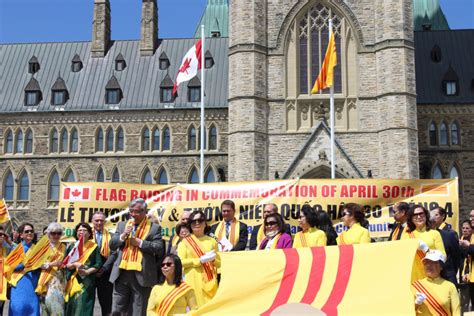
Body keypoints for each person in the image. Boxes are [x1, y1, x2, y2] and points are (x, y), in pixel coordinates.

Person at [109, 198, 164, 316]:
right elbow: (112, 245)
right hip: (121, 272)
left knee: (139, 310)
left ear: (145, 212)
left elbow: (159, 248)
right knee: (117, 309)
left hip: (142, 274)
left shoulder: (154, 228)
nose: (133, 214)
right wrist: (123, 235)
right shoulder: (122, 225)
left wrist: (140, 243)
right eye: (131, 211)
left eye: (137, 212)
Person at [177, 210, 219, 307]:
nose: (197, 223)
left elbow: (219, 264)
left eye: (200, 220)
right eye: (193, 221)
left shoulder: (212, 241)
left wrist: (213, 260)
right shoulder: (184, 242)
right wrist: (199, 261)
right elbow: (180, 262)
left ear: (205, 223)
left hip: (209, 281)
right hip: (192, 280)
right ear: (190, 224)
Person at [65, 222, 102, 316]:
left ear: (89, 233)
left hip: (87, 282)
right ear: (76, 233)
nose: (82, 232)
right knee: (72, 306)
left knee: (84, 307)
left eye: (85, 230)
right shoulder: (72, 247)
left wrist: (87, 272)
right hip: (74, 280)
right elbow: (66, 264)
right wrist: (75, 265)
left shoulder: (93, 247)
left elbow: (98, 264)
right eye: (79, 230)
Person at [401, 205, 445, 283]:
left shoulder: (435, 233)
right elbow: (402, 256)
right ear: (411, 218)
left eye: (421, 214)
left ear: (426, 215)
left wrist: (427, 250)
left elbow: (443, 256)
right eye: (415, 215)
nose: (418, 217)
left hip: (431, 276)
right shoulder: (406, 235)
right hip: (413, 277)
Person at [411, 250, 460, 315]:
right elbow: (406, 311)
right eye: (426, 262)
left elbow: (456, 312)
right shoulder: (415, 286)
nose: (428, 265)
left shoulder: (450, 286)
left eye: (433, 262)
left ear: (441, 266)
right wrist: (416, 304)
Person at [9, 223, 40, 316]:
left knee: (32, 310)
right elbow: (10, 267)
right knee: (18, 309)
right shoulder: (16, 249)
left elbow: (39, 267)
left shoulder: (37, 248)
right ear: (21, 235)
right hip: (19, 284)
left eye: (31, 231)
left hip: (32, 284)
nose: (30, 233)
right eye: (26, 231)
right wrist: (24, 265)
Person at [37, 223, 67, 316]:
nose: (56, 236)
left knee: (58, 309)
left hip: (59, 281)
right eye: (54, 233)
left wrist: (63, 264)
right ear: (49, 234)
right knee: (45, 309)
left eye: (59, 233)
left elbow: (65, 262)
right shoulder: (42, 247)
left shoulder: (63, 247)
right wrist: (51, 264)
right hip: (45, 280)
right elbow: (36, 264)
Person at [91, 211, 117, 316]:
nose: (99, 223)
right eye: (96, 220)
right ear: (92, 221)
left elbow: (114, 253)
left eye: (101, 220)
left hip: (105, 274)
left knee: (107, 305)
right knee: (87, 303)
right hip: (90, 274)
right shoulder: (86, 236)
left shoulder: (112, 236)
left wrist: (103, 268)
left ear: (105, 222)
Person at [430, 206, 461, 286]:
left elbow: (456, 257)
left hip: (447, 275)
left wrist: (450, 271)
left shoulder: (449, 234)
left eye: (436, 215)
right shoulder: (425, 235)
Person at [460, 220, 473, 312]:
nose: (465, 230)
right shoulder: (459, 240)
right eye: (463, 228)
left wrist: (467, 273)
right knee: (463, 302)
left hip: (471, 276)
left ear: (472, 230)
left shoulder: (472, 241)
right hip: (462, 276)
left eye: (467, 228)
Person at [0, 225, 13, 316]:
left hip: (2, 286)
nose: (2, 236)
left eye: (4, 235)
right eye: (0, 234)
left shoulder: (6, 248)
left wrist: (10, 242)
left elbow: (19, 253)